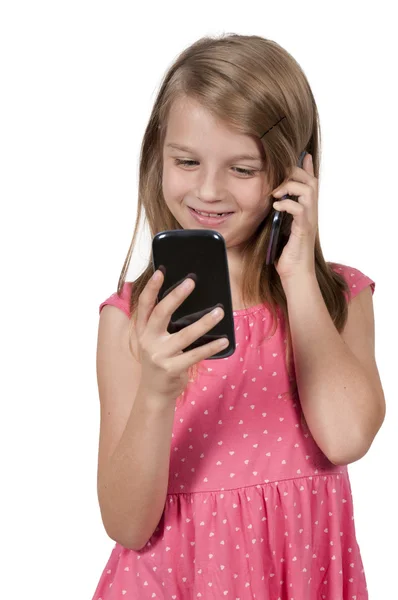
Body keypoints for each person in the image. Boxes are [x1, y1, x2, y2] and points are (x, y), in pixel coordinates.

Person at [92, 34, 385, 600]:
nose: (207, 189)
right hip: (175, 581)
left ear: (295, 173)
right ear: (158, 157)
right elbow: (126, 525)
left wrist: (297, 272)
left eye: (242, 169)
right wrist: (157, 391)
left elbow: (347, 436)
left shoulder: (338, 297)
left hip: (298, 574)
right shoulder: (130, 323)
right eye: (187, 161)